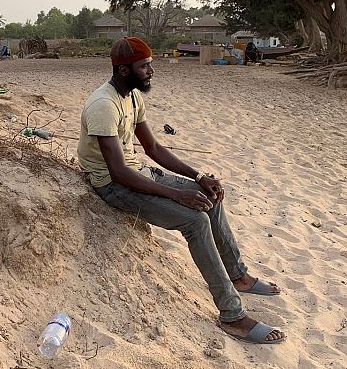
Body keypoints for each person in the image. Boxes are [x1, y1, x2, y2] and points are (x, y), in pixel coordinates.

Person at [77, 37, 287, 344]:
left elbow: (153, 147)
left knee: (211, 199)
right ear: (123, 71)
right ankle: (232, 316)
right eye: (143, 66)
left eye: (150, 64)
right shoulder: (102, 106)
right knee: (195, 220)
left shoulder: (133, 98)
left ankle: (237, 275)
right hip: (112, 186)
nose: (151, 71)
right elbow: (118, 173)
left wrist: (199, 177)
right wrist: (178, 195)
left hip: (139, 173)